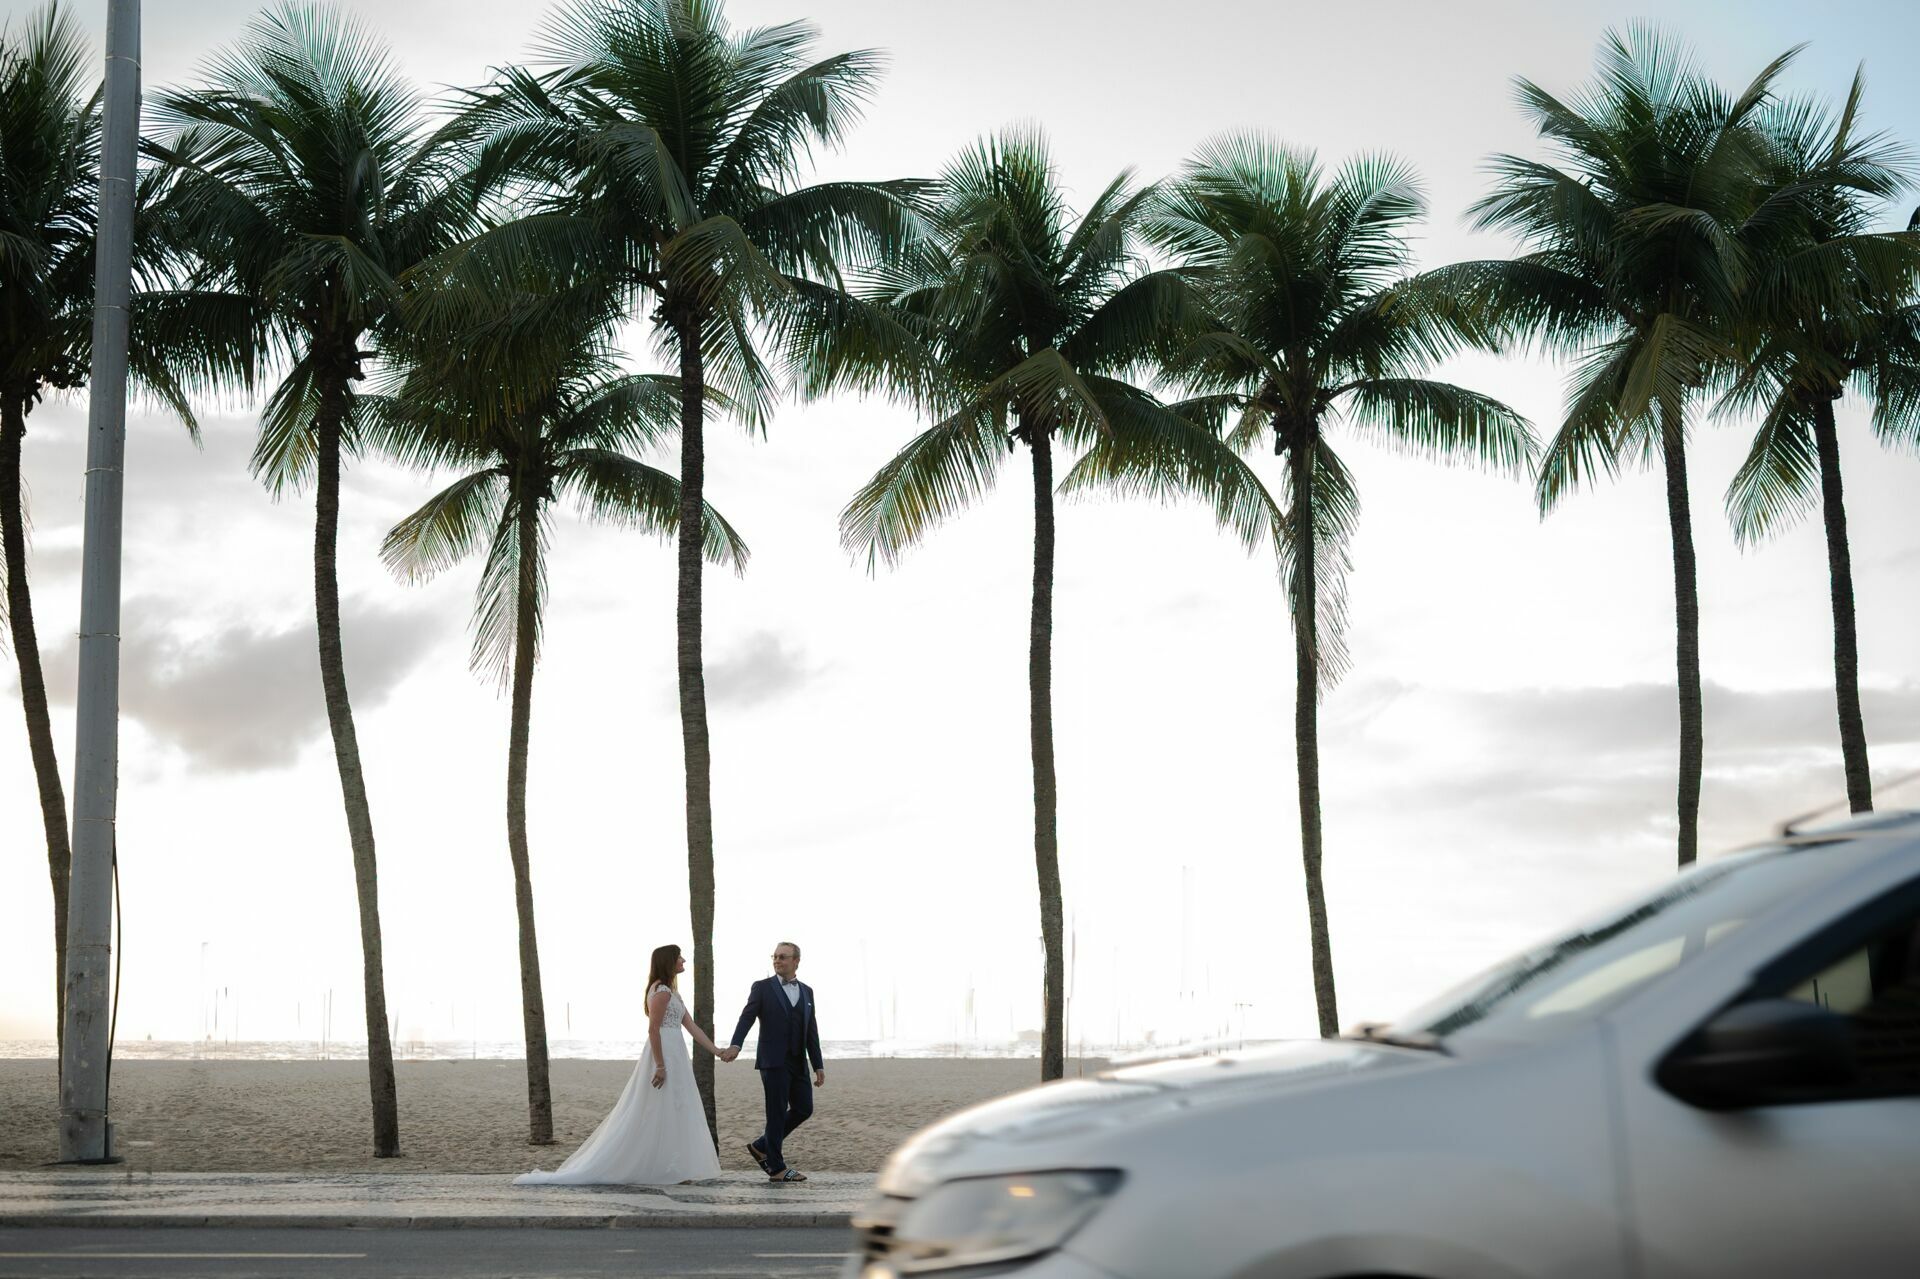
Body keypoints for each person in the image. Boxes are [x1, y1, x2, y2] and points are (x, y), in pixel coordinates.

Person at [515, 944, 725, 1186]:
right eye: (679, 957)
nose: (684, 961)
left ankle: (673, 1167)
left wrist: (717, 1051)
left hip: (676, 1053)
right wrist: (660, 1065)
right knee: (661, 1107)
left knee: (675, 1107)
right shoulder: (661, 991)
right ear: (669, 961)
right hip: (665, 1054)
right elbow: (653, 1030)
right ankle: (662, 1168)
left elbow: (692, 1027)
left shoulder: (672, 993)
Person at [722, 941, 823, 1183]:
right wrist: (736, 1045)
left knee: (804, 1108)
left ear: (796, 961)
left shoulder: (807, 991)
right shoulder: (762, 988)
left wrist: (818, 1064)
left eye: (783, 957)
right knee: (776, 1113)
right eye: (775, 956)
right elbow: (746, 1018)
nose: (777, 960)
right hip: (773, 1060)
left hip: (798, 1060)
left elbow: (811, 1030)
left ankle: (761, 1145)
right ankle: (777, 1168)